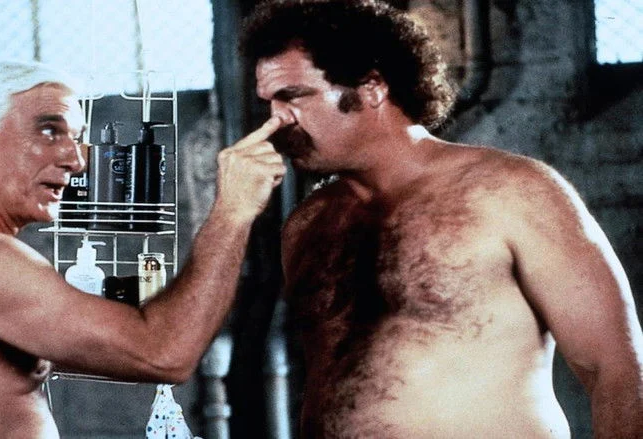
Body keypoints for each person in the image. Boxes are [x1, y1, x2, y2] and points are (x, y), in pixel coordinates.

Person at [241, 1, 643, 437]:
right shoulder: (307, 224)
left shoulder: (512, 191)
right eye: (269, 103)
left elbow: (616, 369)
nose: (276, 120)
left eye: (292, 97)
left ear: (372, 87)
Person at [0, 62, 286, 437]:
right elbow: (163, 353)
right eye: (50, 131)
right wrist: (233, 211)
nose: (77, 160)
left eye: (77, 137)